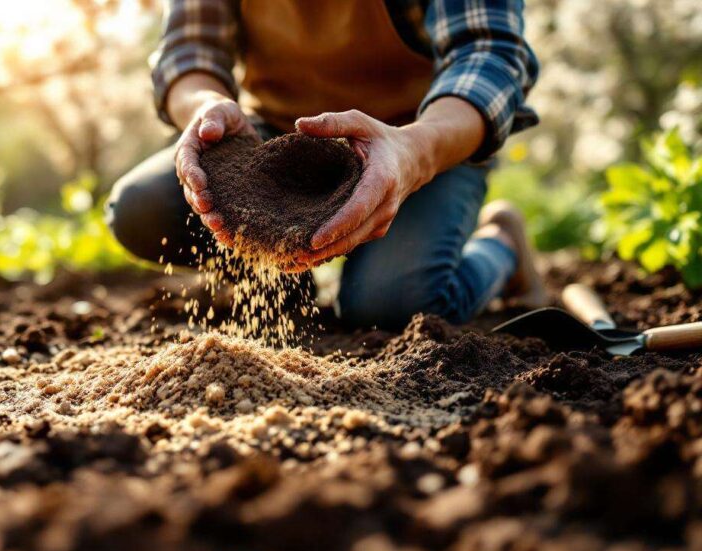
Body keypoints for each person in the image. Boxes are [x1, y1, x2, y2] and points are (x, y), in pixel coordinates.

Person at [107, 0, 548, 330]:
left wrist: (414, 153)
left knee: (391, 307)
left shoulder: (419, 144)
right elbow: (188, 52)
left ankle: (501, 246)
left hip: (423, 140)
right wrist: (207, 106)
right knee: (143, 207)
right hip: (273, 136)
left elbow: (487, 54)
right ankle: (283, 285)